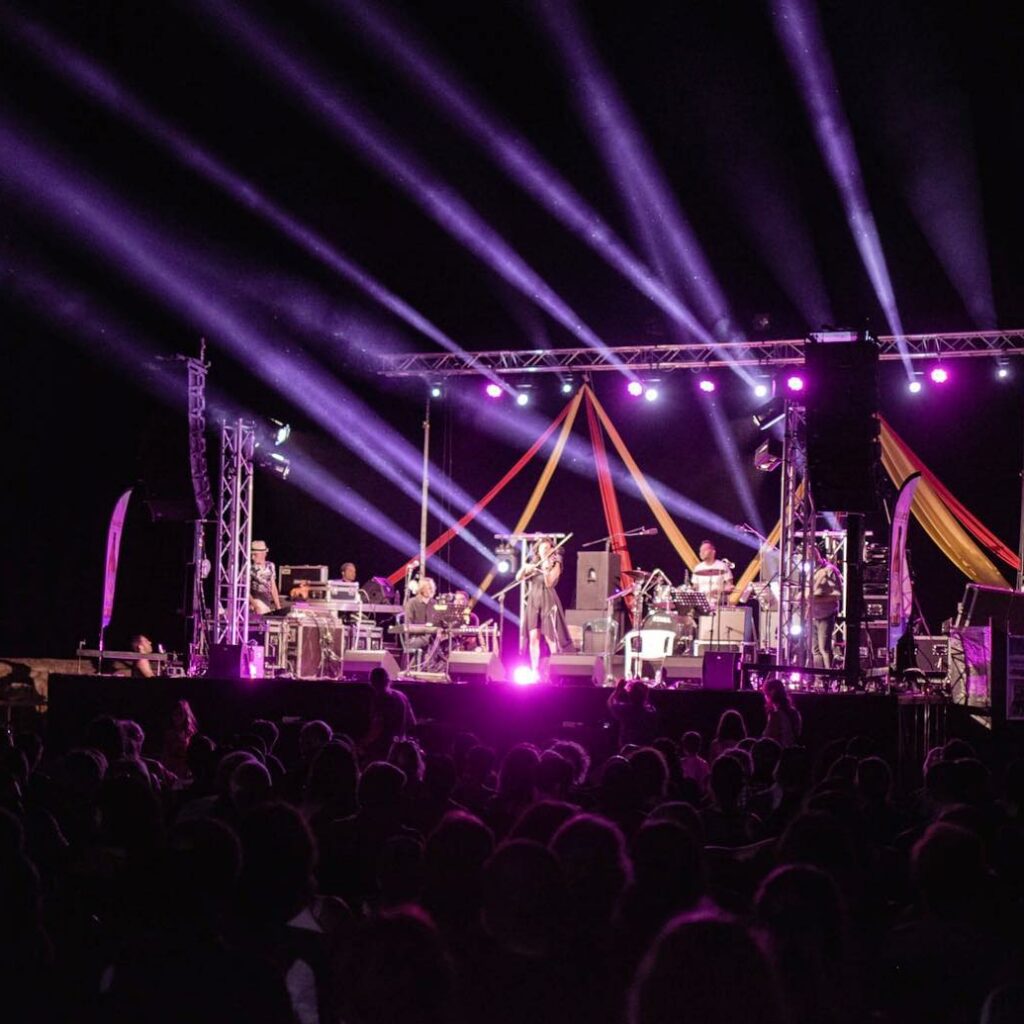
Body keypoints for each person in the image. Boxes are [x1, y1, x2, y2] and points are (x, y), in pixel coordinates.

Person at [517, 536, 572, 675]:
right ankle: (535, 671)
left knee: (550, 637)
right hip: (534, 600)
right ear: (538, 550)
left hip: (548, 600)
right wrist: (525, 568)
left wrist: (546, 568)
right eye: (544, 548)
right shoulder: (534, 563)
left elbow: (549, 583)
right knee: (534, 636)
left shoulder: (556, 563)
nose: (547, 550)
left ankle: (555, 670)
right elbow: (518, 578)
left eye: (549, 548)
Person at [361, 666, 416, 761]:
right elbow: (411, 723)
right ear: (388, 680)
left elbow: (377, 727)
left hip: (382, 749)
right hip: (399, 749)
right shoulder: (401, 696)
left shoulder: (380, 699)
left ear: (372, 682)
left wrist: (363, 743)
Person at [811, 552, 842, 669]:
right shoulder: (809, 572)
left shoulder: (829, 571)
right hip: (812, 615)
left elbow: (837, 595)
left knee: (824, 648)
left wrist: (817, 600)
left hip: (826, 614)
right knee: (815, 650)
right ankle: (819, 679)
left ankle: (829, 675)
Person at [691, 540, 734, 607]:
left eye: (704, 550)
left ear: (713, 552)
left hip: (719, 605)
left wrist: (718, 591)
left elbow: (730, 587)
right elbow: (695, 588)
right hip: (702, 605)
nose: (701, 553)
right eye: (700, 551)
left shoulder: (722, 566)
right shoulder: (698, 568)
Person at [762, 677, 802, 748]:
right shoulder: (794, 712)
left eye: (765, 694)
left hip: (779, 753)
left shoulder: (775, 715)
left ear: (770, 693)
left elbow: (770, 738)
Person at [249, 540, 281, 614]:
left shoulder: (270, 566)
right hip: (256, 602)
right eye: (251, 555)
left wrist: (278, 606)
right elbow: (245, 590)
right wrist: (255, 605)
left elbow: (273, 587)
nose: (252, 557)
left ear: (263, 554)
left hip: (267, 603)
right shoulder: (250, 569)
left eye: (255, 554)